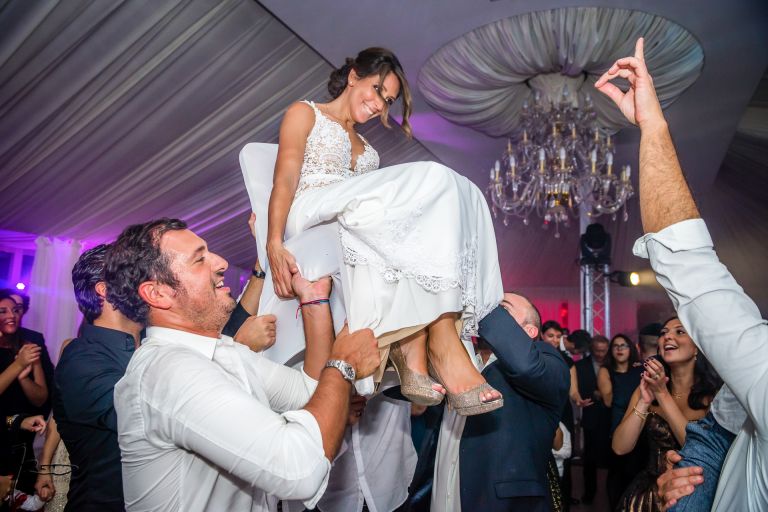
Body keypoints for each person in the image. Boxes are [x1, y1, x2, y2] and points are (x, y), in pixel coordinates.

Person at [265, 47, 503, 414]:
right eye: (377, 90)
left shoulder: (370, 151)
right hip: (311, 211)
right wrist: (273, 241)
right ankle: (435, 342)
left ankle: (420, 343)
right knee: (436, 177)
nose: (379, 104)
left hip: (351, 217)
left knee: (461, 191)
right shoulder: (305, 112)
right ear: (353, 77)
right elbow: (284, 178)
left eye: (387, 100)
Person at [596, 37, 768, 511]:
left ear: (703, 343)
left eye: (682, 328)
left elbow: (692, 269)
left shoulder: (730, 389)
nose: (671, 336)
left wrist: (651, 125)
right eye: (668, 329)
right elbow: (715, 453)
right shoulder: (743, 400)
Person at [109, 218, 380, 511]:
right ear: (158, 293)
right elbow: (300, 470)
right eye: (199, 259)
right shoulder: (167, 371)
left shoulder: (224, 351)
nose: (221, 262)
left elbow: (309, 393)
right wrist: (342, 365)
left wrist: (313, 301)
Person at [431, 293, 570, 511]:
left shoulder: (546, 358)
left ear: (530, 331)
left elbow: (526, 366)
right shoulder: (460, 360)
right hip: (442, 494)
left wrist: (481, 293)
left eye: (501, 308)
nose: (486, 311)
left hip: (498, 502)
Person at [50, 244, 143, 511]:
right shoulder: (80, 360)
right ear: (104, 289)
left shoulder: (152, 344)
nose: (149, 278)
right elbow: (146, 416)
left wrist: (262, 268)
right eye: (134, 272)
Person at [611, 317, 720, 511]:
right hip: (647, 495)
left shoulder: (714, 398)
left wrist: (662, 393)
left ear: (697, 347)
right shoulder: (645, 389)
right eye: (663, 333)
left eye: (679, 331)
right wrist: (645, 401)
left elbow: (697, 448)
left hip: (693, 494)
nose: (667, 336)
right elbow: (620, 447)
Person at [0, 290, 48, 497]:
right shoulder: (22, 357)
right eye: (2, 311)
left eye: (15, 310)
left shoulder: (27, 347)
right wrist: (18, 365)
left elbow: (40, 399)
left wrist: (23, 377)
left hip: (19, 435)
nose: (11, 315)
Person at [597, 334, 644, 509]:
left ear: (631, 348)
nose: (619, 349)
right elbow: (609, 400)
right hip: (617, 424)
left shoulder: (639, 370)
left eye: (624, 345)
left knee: (637, 472)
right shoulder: (606, 370)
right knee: (617, 472)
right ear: (611, 350)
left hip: (640, 424)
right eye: (616, 346)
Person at [572, 333, 611, 504]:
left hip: (611, 417)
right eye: (597, 350)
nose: (600, 354)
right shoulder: (580, 366)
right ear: (591, 349)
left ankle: (611, 497)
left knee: (612, 458)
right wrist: (595, 394)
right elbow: (578, 389)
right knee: (590, 459)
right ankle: (589, 495)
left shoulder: (614, 365)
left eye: (603, 351)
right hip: (591, 416)